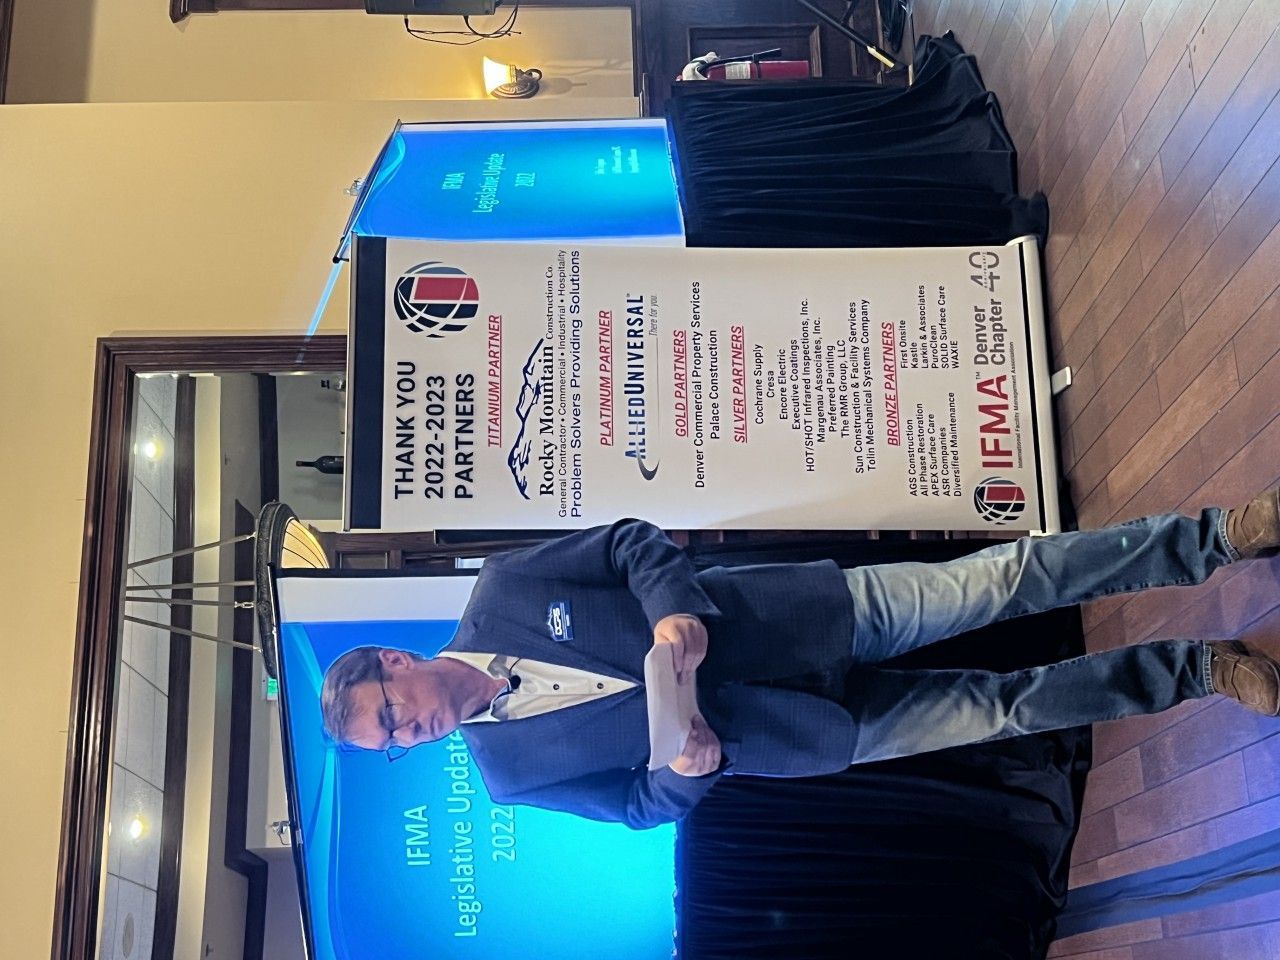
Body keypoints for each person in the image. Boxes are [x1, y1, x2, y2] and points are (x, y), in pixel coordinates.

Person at [320, 488, 1280, 829]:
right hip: (801, 734)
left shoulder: (503, 592)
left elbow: (625, 541)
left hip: (803, 615)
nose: (415, 732)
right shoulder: (507, 776)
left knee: (1004, 581)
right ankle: (1198, 671)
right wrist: (687, 776)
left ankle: (1215, 538)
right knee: (1007, 708)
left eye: (392, 715)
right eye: (394, 745)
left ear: (396, 664)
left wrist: (670, 613)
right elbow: (636, 807)